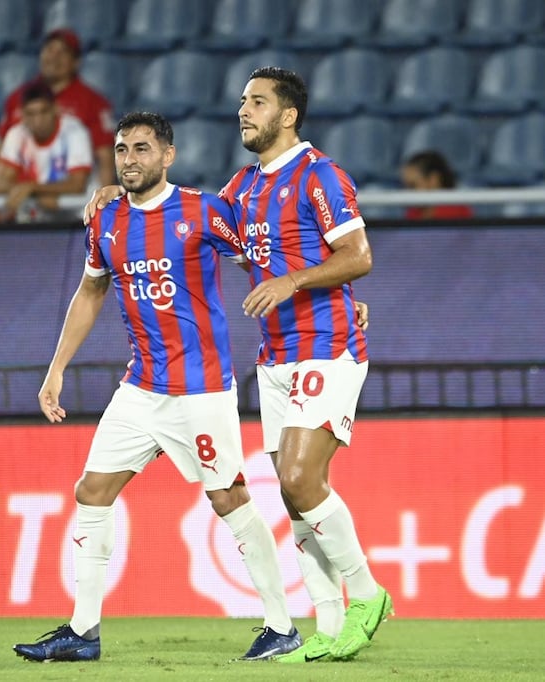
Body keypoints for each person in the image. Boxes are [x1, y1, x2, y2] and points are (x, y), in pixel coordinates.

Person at [85, 67, 391, 664]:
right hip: (273, 356)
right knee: (293, 495)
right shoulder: (243, 188)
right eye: (242, 102)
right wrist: (118, 193)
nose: (244, 111)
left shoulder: (320, 175)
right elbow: (181, 215)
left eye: (257, 102)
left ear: (288, 115)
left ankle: (369, 595)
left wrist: (296, 281)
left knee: (303, 481)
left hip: (325, 344)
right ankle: (327, 627)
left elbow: (358, 255)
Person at [13, 112, 304, 664]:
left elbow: (265, 261)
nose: (130, 159)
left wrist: (333, 300)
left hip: (201, 391)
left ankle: (280, 625)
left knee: (228, 498)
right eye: (122, 150)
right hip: (141, 387)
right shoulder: (107, 221)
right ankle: (83, 632)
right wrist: (56, 369)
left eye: (142, 149)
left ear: (167, 156)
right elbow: (90, 293)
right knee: (91, 491)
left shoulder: (203, 211)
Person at [0, 28, 115, 221]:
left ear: (76, 62)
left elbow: (105, 159)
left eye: (62, 52)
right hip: (27, 204)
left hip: (73, 202)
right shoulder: (18, 98)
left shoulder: (93, 102)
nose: (54, 57)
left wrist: (104, 214)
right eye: (49, 50)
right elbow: (1, 155)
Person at [0, 78, 94, 222]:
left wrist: (32, 188)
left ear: (55, 109)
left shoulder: (75, 132)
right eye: (31, 114)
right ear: (23, 115)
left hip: (76, 219)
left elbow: (77, 185)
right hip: (36, 217)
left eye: (43, 112)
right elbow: (0, 183)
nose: (38, 121)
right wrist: (36, 193)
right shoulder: (16, 134)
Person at [400, 150, 473, 220]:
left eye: (413, 186)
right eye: (405, 187)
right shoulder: (412, 213)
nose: (407, 193)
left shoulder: (458, 211)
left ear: (433, 180)